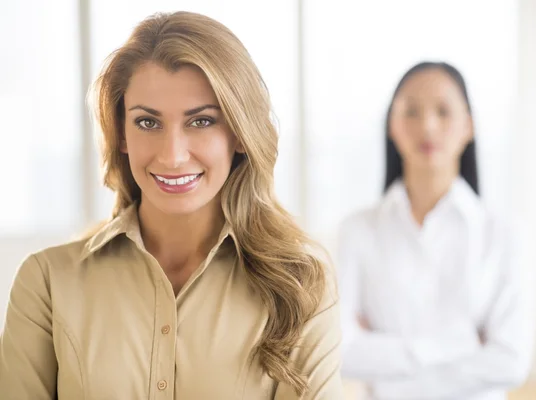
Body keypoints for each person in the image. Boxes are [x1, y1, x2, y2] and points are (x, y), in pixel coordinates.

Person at [0, 11, 343, 399]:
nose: (173, 156)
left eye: (201, 122)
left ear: (240, 134)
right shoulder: (47, 283)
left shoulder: (301, 284)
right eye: (148, 122)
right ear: (122, 134)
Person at [337, 61, 532, 399]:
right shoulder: (356, 231)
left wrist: (386, 361)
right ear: (392, 126)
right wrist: (462, 344)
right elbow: (341, 353)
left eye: (443, 112)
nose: (427, 126)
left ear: (468, 126)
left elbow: (512, 362)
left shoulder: (504, 233)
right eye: (411, 112)